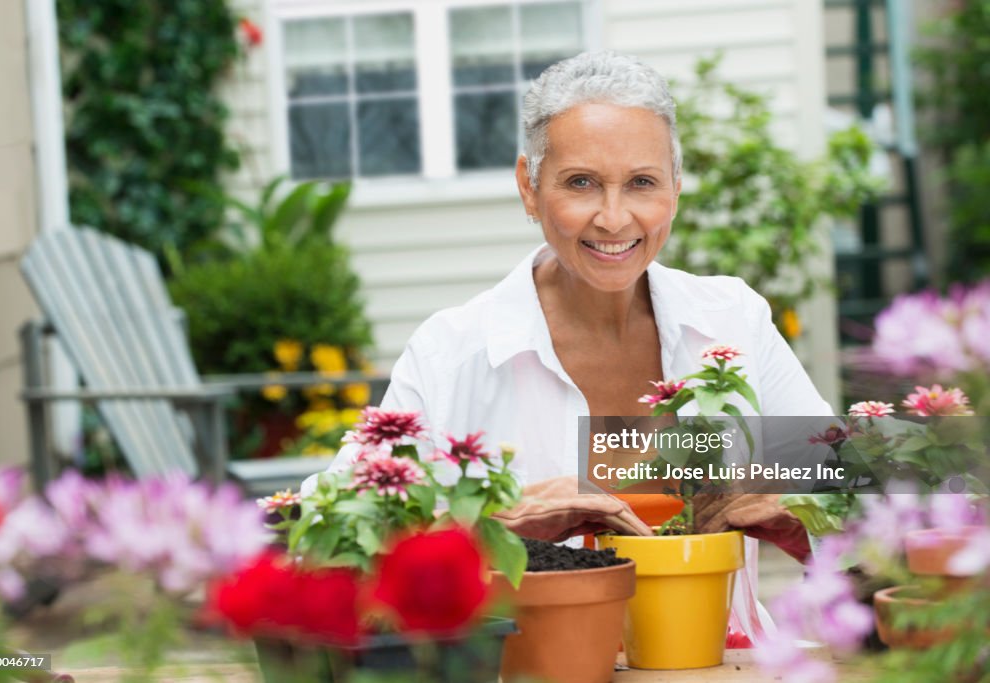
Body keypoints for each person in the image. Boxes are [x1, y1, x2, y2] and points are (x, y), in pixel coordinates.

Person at [304, 51, 831, 637]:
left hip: (719, 663)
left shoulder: (731, 320)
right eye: (580, 183)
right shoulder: (453, 351)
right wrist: (491, 524)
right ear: (529, 188)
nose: (613, 217)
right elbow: (324, 541)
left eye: (642, 183)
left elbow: (874, 507)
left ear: (676, 190)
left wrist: (803, 518)